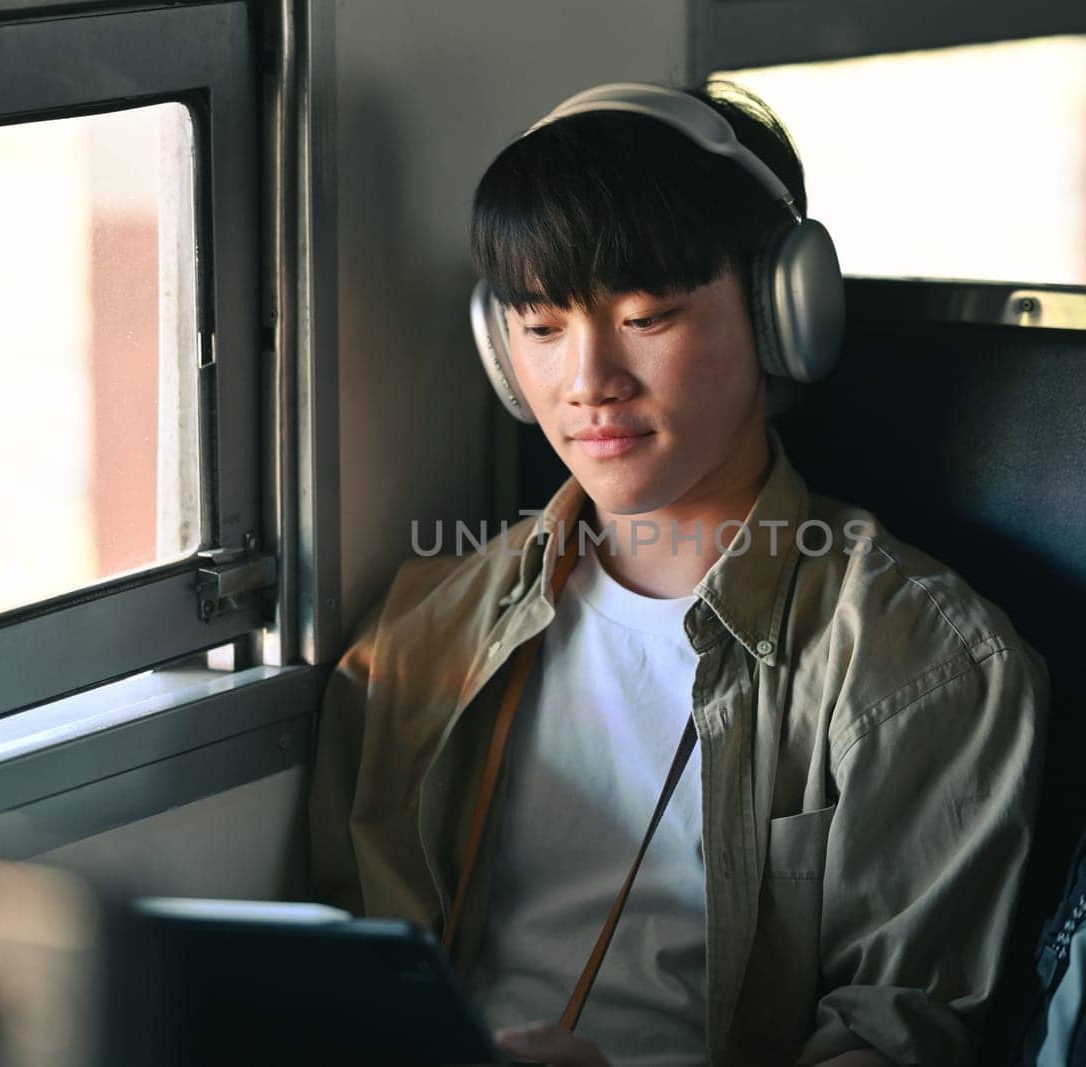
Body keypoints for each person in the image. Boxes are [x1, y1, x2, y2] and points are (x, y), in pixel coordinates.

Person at [309, 80, 1048, 1067]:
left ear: (786, 312)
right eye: (539, 325)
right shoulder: (417, 638)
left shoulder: (922, 661)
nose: (588, 380)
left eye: (648, 315)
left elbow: (893, 1039)